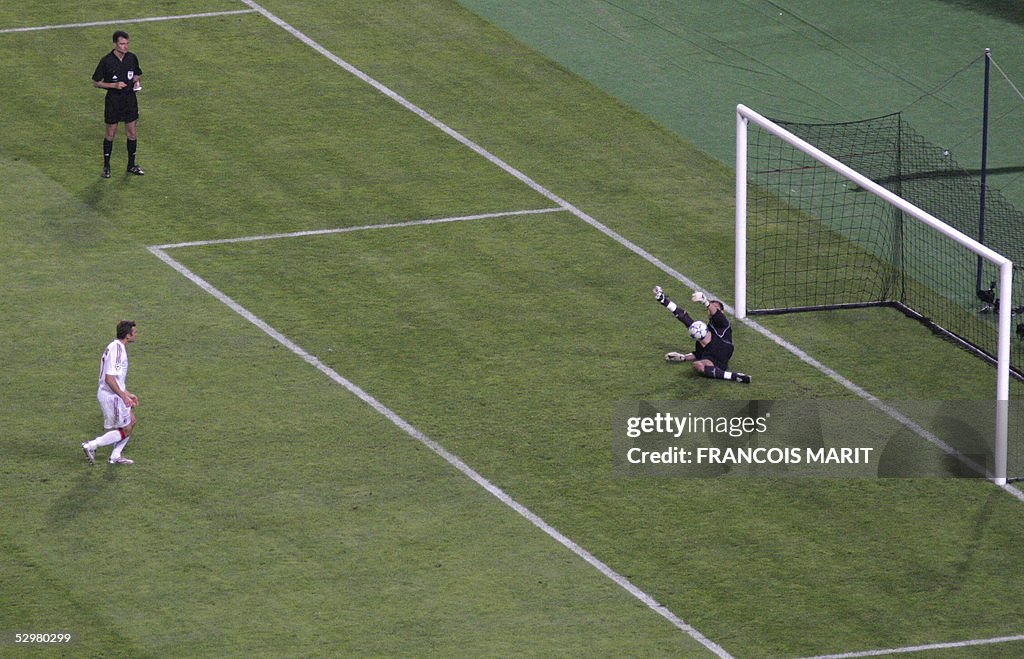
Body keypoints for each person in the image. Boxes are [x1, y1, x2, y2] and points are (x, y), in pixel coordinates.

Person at [653, 286, 751, 384]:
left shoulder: (723, 322)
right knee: (698, 366)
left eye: (716, 308)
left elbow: (714, 313)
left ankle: (664, 300)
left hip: (724, 347)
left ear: (722, 312)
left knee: (696, 327)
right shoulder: (705, 331)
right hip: (716, 359)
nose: (712, 309)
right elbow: (698, 353)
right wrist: (683, 357)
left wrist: (705, 301)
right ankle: (734, 376)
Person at [82, 321, 139, 465]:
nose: (136, 334)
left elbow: (116, 379)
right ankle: (91, 446)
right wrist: (123, 396)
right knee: (125, 429)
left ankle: (115, 456)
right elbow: (109, 378)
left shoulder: (113, 346)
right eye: (134, 332)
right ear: (128, 335)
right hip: (111, 396)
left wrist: (128, 393)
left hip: (112, 394)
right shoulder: (118, 351)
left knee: (132, 421)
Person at [92, 30, 144, 178]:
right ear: (115, 44)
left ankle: (131, 165)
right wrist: (113, 86)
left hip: (129, 100)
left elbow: (136, 73)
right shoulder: (106, 61)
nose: (125, 47)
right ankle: (107, 167)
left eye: (127, 44)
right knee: (110, 133)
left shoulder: (132, 58)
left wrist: (136, 82)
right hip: (113, 101)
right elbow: (96, 82)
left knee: (132, 133)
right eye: (122, 44)